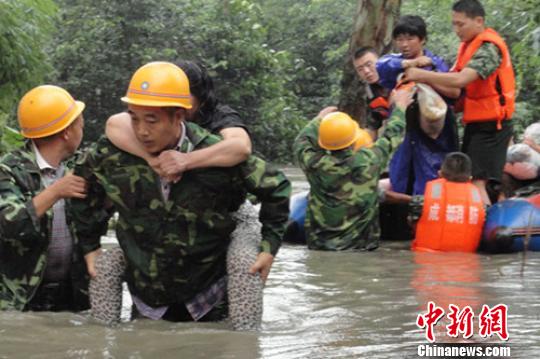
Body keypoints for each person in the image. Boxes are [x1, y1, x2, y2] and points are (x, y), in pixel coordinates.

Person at [71, 62, 291, 323]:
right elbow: (82, 190)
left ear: (179, 116)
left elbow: (276, 187)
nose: (142, 130)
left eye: (152, 120)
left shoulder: (214, 154)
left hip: (207, 295)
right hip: (147, 297)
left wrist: (269, 248)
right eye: (134, 118)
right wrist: (90, 246)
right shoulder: (114, 153)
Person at [403, 0, 515, 205]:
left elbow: (460, 80)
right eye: (454, 24)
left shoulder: (489, 48)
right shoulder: (468, 47)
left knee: (478, 183)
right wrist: (425, 76)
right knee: (472, 180)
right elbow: (455, 90)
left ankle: (482, 232)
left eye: (460, 24)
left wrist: (422, 75)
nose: (456, 30)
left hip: (492, 126)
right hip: (477, 122)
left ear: (479, 21)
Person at [0, 85, 89, 311]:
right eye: (80, 124)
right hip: (18, 301)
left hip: (71, 299)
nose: (83, 129)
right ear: (67, 132)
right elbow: (8, 224)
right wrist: (56, 191)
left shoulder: (81, 166)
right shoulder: (8, 170)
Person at [293, 88, 412, 251]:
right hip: (361, 249)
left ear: (322, 142)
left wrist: (318, 120)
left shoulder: (314, 165)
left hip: (320, 247)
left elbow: (301, 142)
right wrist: (400, 107)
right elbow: (393, 136)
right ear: (354, 139)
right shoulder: (369, 160)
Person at [106, 60, 251, 180]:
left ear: (200, 97)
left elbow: (240, 146)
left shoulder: (218, 114)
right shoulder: (158, 110)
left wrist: (186, 160)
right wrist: (150, 159)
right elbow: (116, 123)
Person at [377, 15, 459, 197]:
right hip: (405, 136)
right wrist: (410, 64)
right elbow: (380, 67)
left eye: (410, 39)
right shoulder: (395, 64)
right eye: (399, 39)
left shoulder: (436, 63)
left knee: (431, 186)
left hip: (435, 139)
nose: (404, 44)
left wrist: (421, 75)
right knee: (400, 182)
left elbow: (455, 92)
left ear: (422, 39)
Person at [410, 152, 486, 252]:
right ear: (470, 178)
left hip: (426, 259)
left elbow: (412, 222)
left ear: (439, 174)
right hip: (465, 260)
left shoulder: (420, 202)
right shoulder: (481, 205)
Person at [352, 47, 391, 139]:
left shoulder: (399, 76)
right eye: (360, 69)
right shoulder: (370, 94)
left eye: (369, 64)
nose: (366, 71)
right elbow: (372, 126)